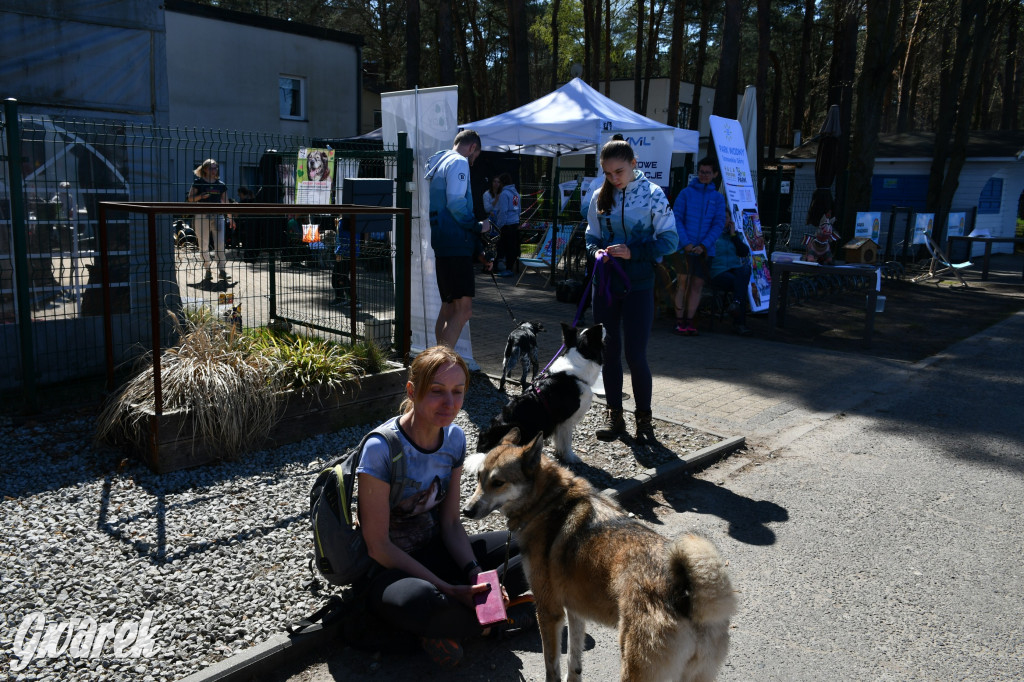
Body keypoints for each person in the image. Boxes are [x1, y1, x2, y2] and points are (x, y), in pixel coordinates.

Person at [357, 346, 535, 667]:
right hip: (393, 570)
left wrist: (476, 576)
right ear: (412, 391)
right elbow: (377, 546)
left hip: (438, 552)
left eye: (458, 392)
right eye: (437, 391)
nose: (450, 404)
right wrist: (450, 589)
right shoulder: (380, 448)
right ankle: (495, 620)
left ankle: (469, 621)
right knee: (421, 602)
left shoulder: (453, 438)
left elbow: (451, 523)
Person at [585, 139, 678, 442]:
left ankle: (645, 420)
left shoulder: (653, 195)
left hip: (638, 284)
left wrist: (634, 252)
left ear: (634, 163)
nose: (614, 178)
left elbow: (670, 241)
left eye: (619, 171)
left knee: (635, 355)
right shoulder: (599, 195)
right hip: (606, 285)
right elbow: (591, 237)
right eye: (608, 173)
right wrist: (596, 252)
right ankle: (615, 417)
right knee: (608, 353)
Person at [424, 130, 493, 348]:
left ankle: (436, 362)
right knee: (463, 310)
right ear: (472, 147)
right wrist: (478, 227)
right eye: (476, 157)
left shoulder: (440, 163)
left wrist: (476, 248)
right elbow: (455, 203)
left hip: (443, 243)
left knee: (449, 307)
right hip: (456, 244)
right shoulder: (459, 162)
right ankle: (440, 366)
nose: (473, 163)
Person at [671, 157, 726, 336]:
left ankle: (689, 320)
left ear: (715, 174)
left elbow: (718, 224)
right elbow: (676, 219)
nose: (704, 175)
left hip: (704, 251)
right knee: (682, 283)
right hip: (683, 248)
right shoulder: (686, 193)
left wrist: (703, 245)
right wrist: (686, 243)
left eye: (708, 173)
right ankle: (679, 321)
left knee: (696, 286)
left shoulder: (718, 198)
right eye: (701, 172)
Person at [187, 159, 235, 284]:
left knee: (220, 244)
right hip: (201, 217)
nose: (215, 170)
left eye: (216, 168)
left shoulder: (221, 184)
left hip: (218, 216)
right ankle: (207, 269)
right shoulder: (198, 182)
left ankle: (222, 270)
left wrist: (230, 218)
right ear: (205, 169)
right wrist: (201, 197)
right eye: (212, 168)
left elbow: (226, 202)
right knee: (203, 245)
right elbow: (190, 199)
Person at [709, 218, 754, 336]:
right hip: (718, 270)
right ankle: (739, 324)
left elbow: (744, 252)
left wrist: (733, 235)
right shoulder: (712, 234)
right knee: (741, 285)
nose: (725, 220)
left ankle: (736, 302)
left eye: (727, 218)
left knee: (745, 270)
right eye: (722, 217)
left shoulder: (734, 236)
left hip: (734, 269)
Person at [492, 173, 521, 277]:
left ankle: (502, 268)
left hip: (506, 224)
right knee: (512, 247)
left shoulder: (504, 194)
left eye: (499, 182)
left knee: (502, 247)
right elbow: (519, 209)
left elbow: (503, 211)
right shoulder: (516, 193)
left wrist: (499, 225)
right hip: (515, 223)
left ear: (502, 183)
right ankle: (509, 268)